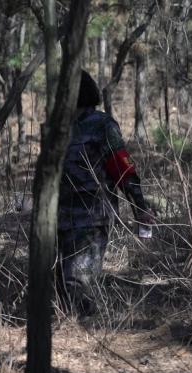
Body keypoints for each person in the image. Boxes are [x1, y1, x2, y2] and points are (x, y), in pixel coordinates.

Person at [57, 70, 154, 316]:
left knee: (78, 284)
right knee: (59, 287)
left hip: (90, 218)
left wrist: (139, 207)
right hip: (56, 220)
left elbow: (122, 169)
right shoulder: (57, 128)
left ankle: (85, 335)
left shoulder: (102, 125)